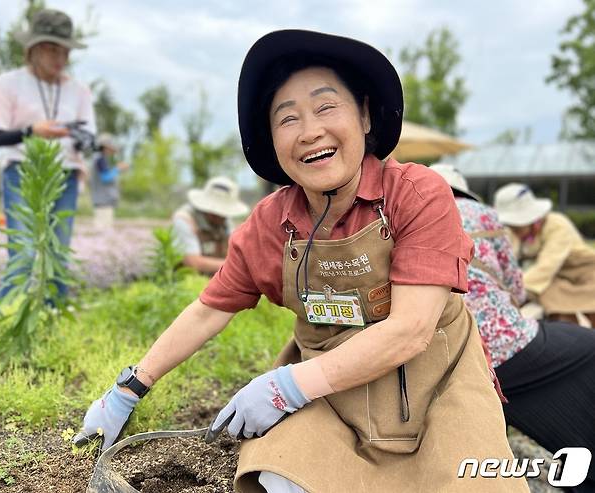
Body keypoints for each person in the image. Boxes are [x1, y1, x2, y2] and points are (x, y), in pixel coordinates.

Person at [74, 30, 527, 492]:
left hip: (438, 387)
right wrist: (128, 389)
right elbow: (210, 309)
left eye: (326, 107)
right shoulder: (270, 223)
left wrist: (284, 388)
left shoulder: (416, 194)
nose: (310, 131)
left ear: (365, 115)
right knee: (281, 472)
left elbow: (411, 329)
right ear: (271, 141)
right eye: (286, 118)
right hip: (330, 398)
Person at [432, 164, 595, 491]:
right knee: (587, 347)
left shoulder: (398, 217)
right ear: (464, 193)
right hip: (499, 341)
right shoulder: (483, 215)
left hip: (439, 349)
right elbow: (517, 288)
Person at [0, 8, 96, 301]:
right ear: (32, 49)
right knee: (22, 250)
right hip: (22, 170)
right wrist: (33, 130)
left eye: (64, 51)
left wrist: (83, 139)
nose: (59, 58)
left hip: (64, 175)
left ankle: (53, 315)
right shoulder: (9, 83)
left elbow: (88, 137)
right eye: (51, 49)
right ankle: (9, 313)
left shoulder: (79, 90)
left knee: (57, 252)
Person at [494, 183, 595, 326]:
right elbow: (511, 262)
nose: (513, 230)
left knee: (592, 311)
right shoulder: (514, 232)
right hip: (558, 279)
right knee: (556, 307)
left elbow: (546, 266)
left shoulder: (557, 225)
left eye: (517, 225)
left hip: (587, 275)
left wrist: (514, 293)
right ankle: (573, 340)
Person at [171, 176, 249, 275]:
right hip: (187, 279)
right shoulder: (185, 219)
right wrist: (236, 266)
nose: (221, 215)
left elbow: (234, 247)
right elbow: (192, 262)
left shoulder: (225, 220)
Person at [90, 133, 130, 229]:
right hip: (103, 200)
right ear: (105, 147)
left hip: (103, 200)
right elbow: (105, 178)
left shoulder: (101, 159)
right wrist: (118, 169)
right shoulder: (100, 160)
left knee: (103, 228)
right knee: (103, 229)